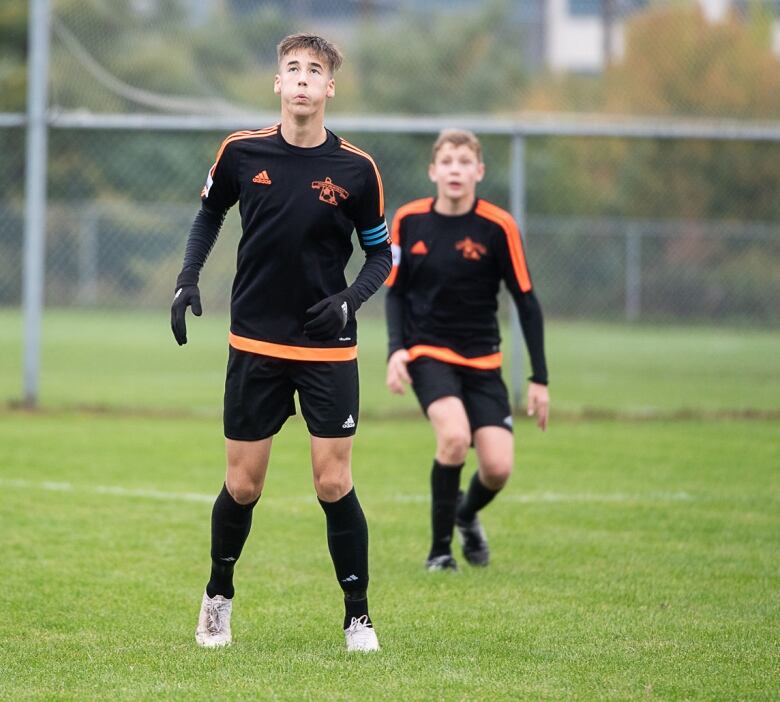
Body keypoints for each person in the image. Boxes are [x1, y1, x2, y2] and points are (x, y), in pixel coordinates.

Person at [171, 33, 390, 651]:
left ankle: (358, 617)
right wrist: (188, 280)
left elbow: (381, 255)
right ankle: (217, 600)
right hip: (256, 344)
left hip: (327, 349)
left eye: (313, 70)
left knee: (333, 483)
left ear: (328, 88)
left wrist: (348, 300)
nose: (300, 78)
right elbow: (210, 214)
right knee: (243, 485)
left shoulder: (356, 169)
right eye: (290, 68)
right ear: (277, 84)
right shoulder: (242, 152)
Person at [385, 129, 549, 572]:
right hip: (428, 353)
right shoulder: (409, 220)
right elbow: (395, 293)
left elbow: (526, 301)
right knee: (455, 438)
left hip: (482, 361)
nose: (455, 169)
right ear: (433, 171)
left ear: (478, 172)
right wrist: (396, 350)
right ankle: (440, 552)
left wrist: (539, 378)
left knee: (497, 468)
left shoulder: (499, 226)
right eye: (448, 161)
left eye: (464, 162)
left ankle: (464, 514)